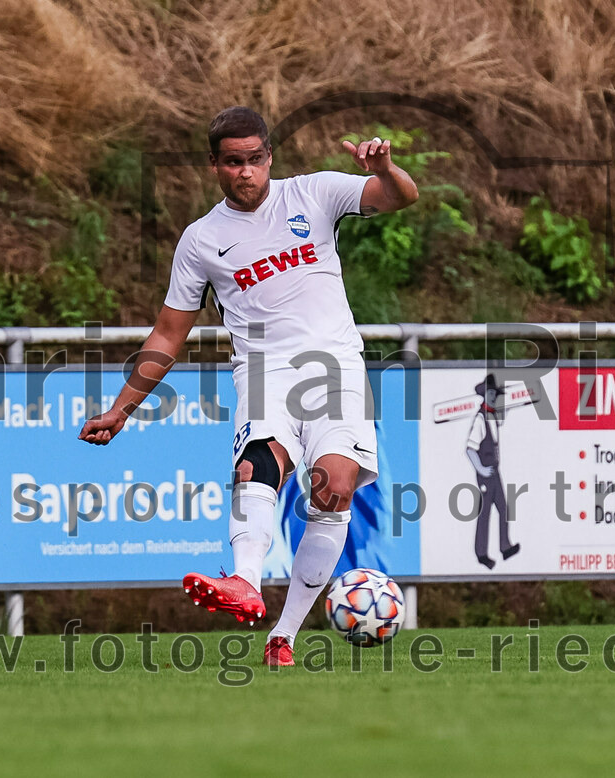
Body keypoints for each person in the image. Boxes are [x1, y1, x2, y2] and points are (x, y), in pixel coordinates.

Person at [78, 106, 418, 667]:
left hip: (335, 367)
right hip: (263, 371)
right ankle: (245, 582)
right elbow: (168, 333)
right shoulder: (201, 240)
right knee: (258, 462)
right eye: (234, 162)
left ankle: (283, 635)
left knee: (334, 488)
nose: (247, 172)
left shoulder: (314, 194)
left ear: (269, 156)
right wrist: (122, 409)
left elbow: (401, 197)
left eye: (256, 159)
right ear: (214, 164)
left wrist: (384, 170)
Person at [466, 373, 520, 570]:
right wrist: (480, 468)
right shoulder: (480, 419)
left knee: (503, 508)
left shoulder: (492, 416)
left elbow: (500, 425)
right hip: (486, 474)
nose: (493, 397)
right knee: (485, 512)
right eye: (490, 393)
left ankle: (505, 546)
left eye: (494, 394)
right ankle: (481, 553)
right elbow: (470, 449)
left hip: (495, 472)